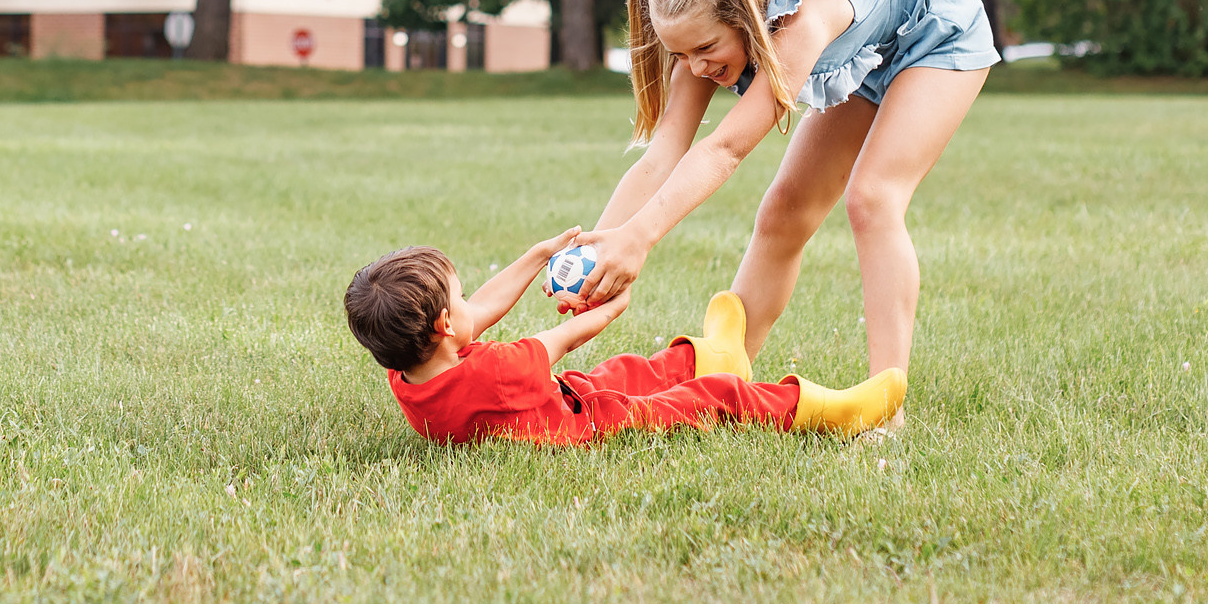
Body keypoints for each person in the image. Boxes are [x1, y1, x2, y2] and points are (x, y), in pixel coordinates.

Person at [561, 0, 998, 412]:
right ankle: (723, 379)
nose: (696, 67)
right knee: (783, 211)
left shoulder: (802, 25)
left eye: (706, 49)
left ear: (741, 18)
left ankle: (885, 404)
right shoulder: (697, 44)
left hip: (932, 31)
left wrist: (641, 239)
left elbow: (725, 148)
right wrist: (602, 246)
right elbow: (662, 155)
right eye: (681, 55)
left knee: (872, 198)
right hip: (867, 47)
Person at [342, 234, 903, 447]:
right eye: (458, 300)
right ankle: (836, 412)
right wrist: (610, 302)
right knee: (713, 399)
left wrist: (540, 255)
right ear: (444, 325)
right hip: (580, 425)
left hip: (548, 402)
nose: (473, 305)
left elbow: (482, 309)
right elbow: (563, 335)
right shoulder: (498, 368)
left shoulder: (407, 371)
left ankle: (718, 354)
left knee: (634, 368)